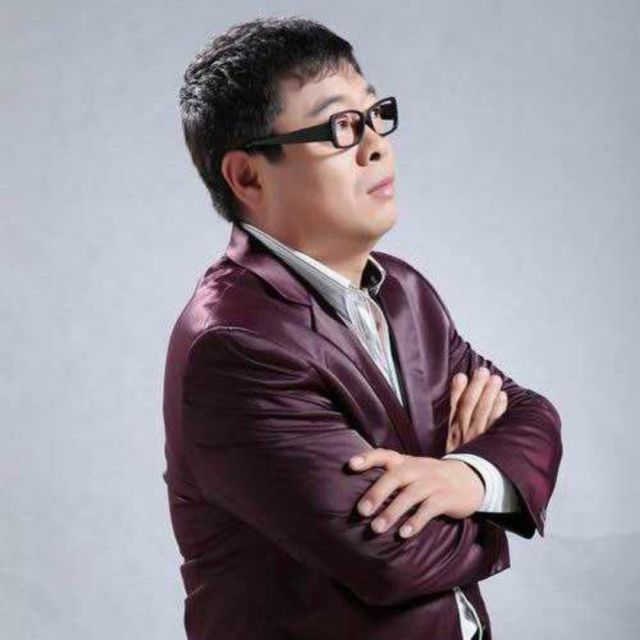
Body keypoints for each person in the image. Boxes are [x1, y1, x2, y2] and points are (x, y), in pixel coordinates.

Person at [162, 15, 563, 640]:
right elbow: (394, 558)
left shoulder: (402, 290)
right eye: (340, 127)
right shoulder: (236, 344)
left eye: (375, 115)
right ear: (248, 176)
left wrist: (463, 476)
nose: (376, 145)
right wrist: (494, 496)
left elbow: (533, 415)